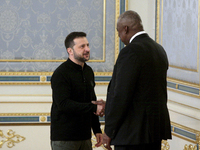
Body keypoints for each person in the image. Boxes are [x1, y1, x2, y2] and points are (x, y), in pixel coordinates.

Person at [102, 10, 172, 150]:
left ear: (125, 29)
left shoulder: (130, 51)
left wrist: (109, 130)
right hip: (154, 131)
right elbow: (145, 90)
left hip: (132, 134)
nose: (120, 37)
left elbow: (121, 95)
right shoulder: (158, 49)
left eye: (119, 32)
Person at [50, 32, 104, 150]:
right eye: (82, 46)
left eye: (87, 45)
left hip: (85, 137)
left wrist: (97, 129)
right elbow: (64, 104)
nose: (87, 49)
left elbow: (92, 101)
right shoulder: (61, 73)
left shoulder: (88, 71)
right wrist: (94, 108)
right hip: (65, 139)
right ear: (70, 51)